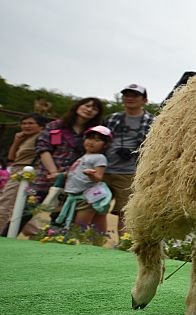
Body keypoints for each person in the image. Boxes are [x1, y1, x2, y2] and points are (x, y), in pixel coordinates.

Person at [29, 97, 105, 203]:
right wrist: (54, 172)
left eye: (95, 109)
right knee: (28, 209)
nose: (89, 110)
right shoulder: (56, 125)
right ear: (78, 106)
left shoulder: (93, 133)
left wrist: (63, 175)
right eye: (87, 106)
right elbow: (43, 148)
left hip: (72, 180)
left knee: (61, 216)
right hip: (46, 175)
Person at [104, 84, 155, 234]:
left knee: (125, 212)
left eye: (135, 95)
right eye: (127, 95)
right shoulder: (111, 118)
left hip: (131, 172)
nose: (130, 98)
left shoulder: (153, 121)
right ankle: (92, 241)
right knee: (94, 206)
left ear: (145, 100)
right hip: (104, 169)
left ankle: (123, 246)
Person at [53, 126, 113, 233]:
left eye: (97, 140)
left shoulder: (100, 158)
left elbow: (98, 177)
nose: (92, 142)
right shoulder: (83, 156)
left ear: (105, 145)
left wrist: (91, 175)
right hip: (74, 196)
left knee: (79, 228)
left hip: (86, 198)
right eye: (89, 138)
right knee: (76, 227)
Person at [0, 115, 46, 232]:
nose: (26, 126)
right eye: (24, 123)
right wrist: (16, 141)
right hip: (17, 170)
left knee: (6, 203)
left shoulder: (41, 138)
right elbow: (11, 158)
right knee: (20, 207)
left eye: (31, 123)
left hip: (27, 172)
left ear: (41, 127)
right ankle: (36, 233)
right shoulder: (24, 138)